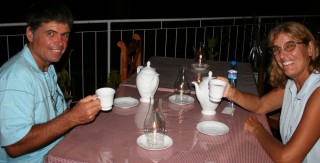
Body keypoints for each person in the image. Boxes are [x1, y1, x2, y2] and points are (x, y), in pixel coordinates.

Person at [0, 1, 102, 162]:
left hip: (59, 149)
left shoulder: (47, 68)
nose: (60, 43)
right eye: (51, 33)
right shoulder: (17, 77)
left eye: (65, 35)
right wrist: (73, 117)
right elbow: (14, 146)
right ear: (30, 34)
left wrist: (81, 112)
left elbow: (58, 117)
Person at [217, 21, 320, 162]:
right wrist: (230, 92)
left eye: (290, 46)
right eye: (277, 49)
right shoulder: (292, 84)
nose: (282, 56)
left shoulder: (317, 92)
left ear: (310, 48)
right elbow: (261, 105)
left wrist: (258, 130)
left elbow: (287, 159)